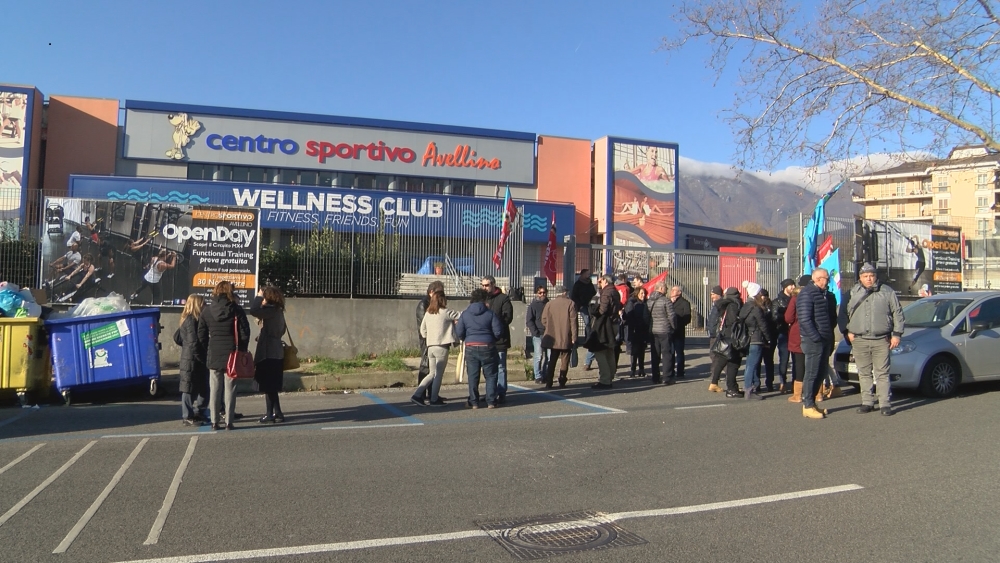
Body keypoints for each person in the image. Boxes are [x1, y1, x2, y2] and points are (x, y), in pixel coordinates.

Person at [839, 263, 904, 416]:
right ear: (860, 278)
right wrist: (846, 332)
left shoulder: (887, 292)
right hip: (859, 339)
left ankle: (884, 404)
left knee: (882, 373)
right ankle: (867, 402)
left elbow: (898, 313)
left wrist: (897, 334)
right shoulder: (852, 293)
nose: (869, 279)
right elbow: (842, 314)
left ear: (875, 276)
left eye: (871, 276)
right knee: (864, 372)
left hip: (881, 339)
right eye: (865, 276)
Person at [197, 281, 251, 430]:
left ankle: (214, 421)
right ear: (230, 292)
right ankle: (229, 421)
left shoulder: (207, 311)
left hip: (213, 352)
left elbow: (201, 334)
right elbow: (245, 332)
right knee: (231, 388)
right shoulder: (236, 309)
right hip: (232, 353)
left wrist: (206, 348)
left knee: (214, 388)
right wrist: (242, 349)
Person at [796, 269, 836, 419]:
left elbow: (830, 317)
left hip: (825, 338)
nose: (827, 282)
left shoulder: (824, 294)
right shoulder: (807, 294)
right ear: (819, 279)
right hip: (813, 340)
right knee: (812, 373)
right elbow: (805, 319)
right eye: (826, 279)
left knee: (820, 372)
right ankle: (807, 405)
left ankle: (812, 403)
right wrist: (816, 337)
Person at [456, 288, 503, 409]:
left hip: (471, 346)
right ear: (484, 300)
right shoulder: (490, 313)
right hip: (487, 346)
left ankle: (474, 402)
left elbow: (459, 332)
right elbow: (498, 331)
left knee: (473, 375)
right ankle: (491, 401)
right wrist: (491, 339)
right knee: (491, 375)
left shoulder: (465, 314)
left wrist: (467, 338)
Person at [248, 286, 287, 423]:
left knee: (268, 385)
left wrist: (258, 297)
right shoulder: (278, 311)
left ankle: (270, 413)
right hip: (276, 351)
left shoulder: (270, 311)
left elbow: (253, 310)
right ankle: (278, 413)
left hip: (268, 352)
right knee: (273, 386)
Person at [415, 290, 459, 406]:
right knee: (438, 374)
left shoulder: (428, 313)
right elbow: (460, 315)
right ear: (442, 300)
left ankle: (417, 394)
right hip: (442, 346)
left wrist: (428, 337)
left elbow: (422, 330)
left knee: (431, 373)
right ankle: (434, 399)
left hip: (430, 347)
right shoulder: (445, 312)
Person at [173, 295, 208, 426]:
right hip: (192, 359)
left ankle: (199, 412)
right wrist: (202, 357)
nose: (205, 306)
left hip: (194, 358)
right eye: (203, 303)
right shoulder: (190, 320)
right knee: (188, 388)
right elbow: (193, 342)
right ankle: (187, 416)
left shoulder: (194, 319)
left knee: (202, 387)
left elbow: (178, 337)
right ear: (197, 305)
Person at [738, 283, 774, 400]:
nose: (760, 295)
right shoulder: (756, 308)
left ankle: (749, 387)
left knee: (749, 364)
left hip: (748, 338)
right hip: (756, 338)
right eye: (759, 293)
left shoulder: (745, 306)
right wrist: (768, 338)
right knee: (752, 365)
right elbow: (762, 324)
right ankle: (749, 389)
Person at [481, 276, 513, 403]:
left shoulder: (503, 298)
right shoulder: (481, 299)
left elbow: (508, 317)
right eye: (482, 285)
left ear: (493, 284)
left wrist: (495, 325)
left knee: (500, 367)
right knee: (488, 368)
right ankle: (490, 392)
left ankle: (501, 392)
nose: (484, 288)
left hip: (500, 339)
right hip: (485, 339)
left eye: (487, 285)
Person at [540, 285, 578, 389]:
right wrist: (574, 337)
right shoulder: (571, 303)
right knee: (565, 359)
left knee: (552, 360)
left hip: (553, 337)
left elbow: (543, 319)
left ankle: (549, 382)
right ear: (565, 292)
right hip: (566, 337)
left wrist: (550, 326)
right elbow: (573, 322)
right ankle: (562, 380)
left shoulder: (549, 304)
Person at [414, 281, 446, 400]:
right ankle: (421, 394)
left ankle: (432, 394)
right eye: (440, 292)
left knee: (433, 368)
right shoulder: (423, 305)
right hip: (427, 339)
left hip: (432, 339)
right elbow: (425, 324)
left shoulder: (432, 302)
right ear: (431, 292)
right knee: (425, 365)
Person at [710, 287, 744, 397]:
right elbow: (733, 321)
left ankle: (714, 382)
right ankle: (732, 388)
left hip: (724, 335)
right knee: (733, 363)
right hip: (733, 337)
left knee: (722, 359)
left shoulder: (724, 304)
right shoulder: (734, 305)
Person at [587, 275, 619, 389]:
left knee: (600, 352)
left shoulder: (606, 293)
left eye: (600, 280)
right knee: (609, 351)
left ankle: (605, 380)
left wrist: (595, 309)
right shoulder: (615, 291)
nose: (599, 282)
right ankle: (610, 375)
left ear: (605, 280)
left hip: (605, 326)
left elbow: (602, 310)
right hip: (613, 323)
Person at [784, 276, 809, 403]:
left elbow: (788, 317)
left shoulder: (796, 298)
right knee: (813, 364)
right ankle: (818, 393)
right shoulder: (819, 295)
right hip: (815, 333)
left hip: (798, 332)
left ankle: (797, 395)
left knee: (799, 364)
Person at [647, 281, 675, 385]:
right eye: (666, 288)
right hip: (664, 330)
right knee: (667, 354)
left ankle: (655, 377)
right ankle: (667, 377)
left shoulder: (649, 301)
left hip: (653, 331)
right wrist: (673, 327)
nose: (667, 290)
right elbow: (671, 316)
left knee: (655, 354)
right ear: (661, 289)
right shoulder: (666, 301)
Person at [771, 279, 796, 393]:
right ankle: (783, 382)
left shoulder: (796, 299)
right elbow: (774, 317)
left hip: (795, 333)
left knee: (797, 360)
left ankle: (796, 382)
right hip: (783, 333)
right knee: (784, 360)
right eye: (790, 285)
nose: (793, 287)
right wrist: (787, 317)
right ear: (785, 287)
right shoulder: (777, 301)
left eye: (793, 285)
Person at [570, 270, 597, 369]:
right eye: (587, 274)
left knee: (589, 323)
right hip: (582, 306)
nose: (588, 275)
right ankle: (587, 339)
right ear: (582, 275)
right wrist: (579, 305)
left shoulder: (589, 283)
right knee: (587, 322)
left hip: (589, 305)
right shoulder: (578, 284)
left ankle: (588, 338)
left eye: (589, 274)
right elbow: (574, 296)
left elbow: (593, 293)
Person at [624, 286, 650, 378]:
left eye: (644, 293)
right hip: (635, 330)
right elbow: (628, 317)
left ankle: (641, 369)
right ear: (637, 294)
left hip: (643, 330)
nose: (643, 295)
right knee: (634, 351)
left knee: (642, 351)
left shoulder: (646, 303)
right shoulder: (633, 303)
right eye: (641, 293)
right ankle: (633, 369)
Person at [526, 286, 550, 384]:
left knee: (549, 356)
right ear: (537, 293)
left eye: (544, 292)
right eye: (540, 293)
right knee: (538, 355)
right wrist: (535, 332)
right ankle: (538, 376)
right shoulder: (533, 305)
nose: (542, 294)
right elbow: (529, 320)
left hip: (548, 334)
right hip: (538, 334)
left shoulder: (549, 304)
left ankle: (546, 374)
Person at [669, 285, 691, 379]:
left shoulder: (684, 303)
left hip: (679, 331)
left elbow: (687, 318)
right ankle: (671, 370)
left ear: (679, 292)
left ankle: (680, 371)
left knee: (679, 352)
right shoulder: (668, 301)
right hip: (670, 331)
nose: (672, 291)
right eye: (672, 290)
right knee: (671, 352)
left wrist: (678, 323)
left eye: (674, 290)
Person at [706, 285, 724, 392]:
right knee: (714, 354)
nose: (711, 296)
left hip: (717, 334)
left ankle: (715, 375)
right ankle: (714, 375)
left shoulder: (719, 304)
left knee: (717, 354)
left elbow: (717, 320)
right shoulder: (715, 304)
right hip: (713, 333)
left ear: (718, 295)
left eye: (713, 294)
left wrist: (714, 331)